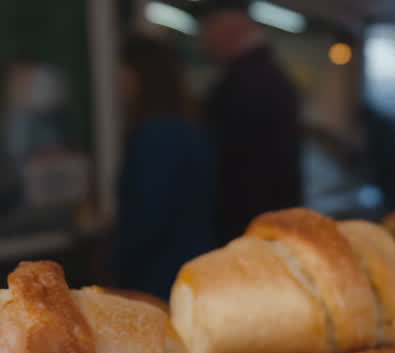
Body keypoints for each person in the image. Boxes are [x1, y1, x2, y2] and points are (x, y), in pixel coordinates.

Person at [113, 33, 214, 299]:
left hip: (160, 276)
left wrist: (115, 264)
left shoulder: (157, 136)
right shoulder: (187, 128)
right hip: (191, 268)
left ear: (140, 75)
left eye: (122, 71)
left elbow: (149, 216)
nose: (119, 81)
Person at [193, 0, 303, 244]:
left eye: (206, 31)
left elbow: (232, 166)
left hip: (249, 232)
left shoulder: (247, 84)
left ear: (229, 29)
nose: (202, 41)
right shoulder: (266, 76)